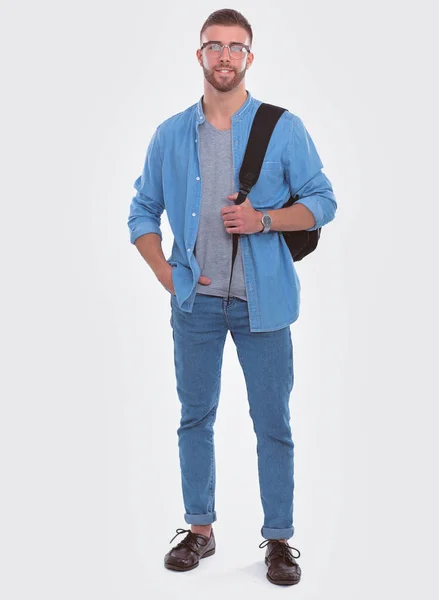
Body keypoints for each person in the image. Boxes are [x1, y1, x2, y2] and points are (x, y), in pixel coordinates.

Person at [127, 8, 337, 586]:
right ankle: (199, 530)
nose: (224, 56)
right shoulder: (170, 134)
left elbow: (323, 200)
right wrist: (168, 276)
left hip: (261, 304)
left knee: (273, 422)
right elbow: (142, 210)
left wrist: (263, 219)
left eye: (235, 47)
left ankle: (278, 541)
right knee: (195, 417)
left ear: (249, 57)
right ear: (199, 56)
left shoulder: (282, 128)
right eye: (213, 46)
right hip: (194, 303)